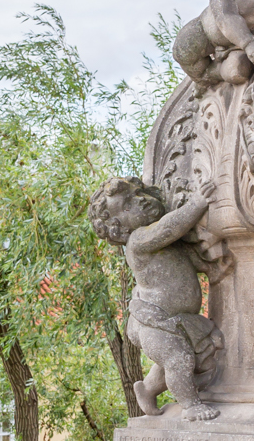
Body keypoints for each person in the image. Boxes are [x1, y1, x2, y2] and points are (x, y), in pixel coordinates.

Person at [88, 179, 222, 420]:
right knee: (179, 359)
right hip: (155, 321)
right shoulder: (139, 240)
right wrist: (196, 204)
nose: (140, 200)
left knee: (170, 359)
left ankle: (148, 390)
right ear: (120, 227)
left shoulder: (159, 243)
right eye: (128, 204)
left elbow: (183, 262)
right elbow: (169, 228)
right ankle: (190, 406)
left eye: (137, 193)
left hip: (172, 319)